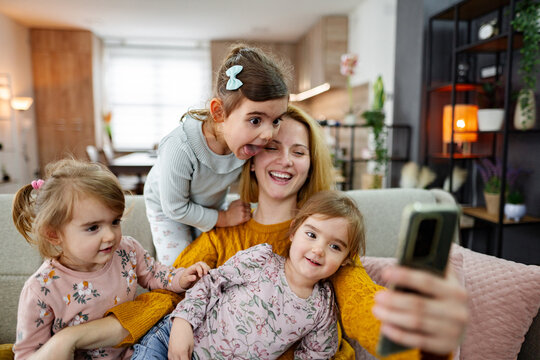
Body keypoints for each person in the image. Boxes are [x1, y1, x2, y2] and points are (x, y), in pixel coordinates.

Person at [31, 105, 467, 360]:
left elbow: (361, 304)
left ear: (310, 164)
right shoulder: (224, 235)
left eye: (299, 151)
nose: (285, 160)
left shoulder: (328, 240)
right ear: (251, 159)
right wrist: (69, 338)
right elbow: (167, 298)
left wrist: (410, 337)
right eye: (272, 147)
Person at [11, 159, 210, 360]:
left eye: (115, 222)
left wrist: (181, 277)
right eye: (93, 227)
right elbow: (27, 353)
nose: (110, 236)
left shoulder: (127, 249)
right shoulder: (41, 289)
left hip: (137, 351)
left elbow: (154, 274)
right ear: (54, 234)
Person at [131, 190, 366, 360]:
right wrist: (182, 323)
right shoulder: (261, 259)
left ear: (346, 258)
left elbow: (317, 354)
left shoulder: (323, 309)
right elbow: (210, 283)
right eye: (312, 235)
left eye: (335, 246)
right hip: (174, 338)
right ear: (293, 232)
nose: (318, 250)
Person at [144, 43, 290, 265]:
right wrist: (223, 218)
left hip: (209, 205)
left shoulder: (245, 141)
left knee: (218, 263)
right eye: (255, 120)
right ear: (219, 112)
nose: (269, 133)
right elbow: (175, 208)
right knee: (181, 267)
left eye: (276, 120)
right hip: (169, 210)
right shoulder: (180, 147)